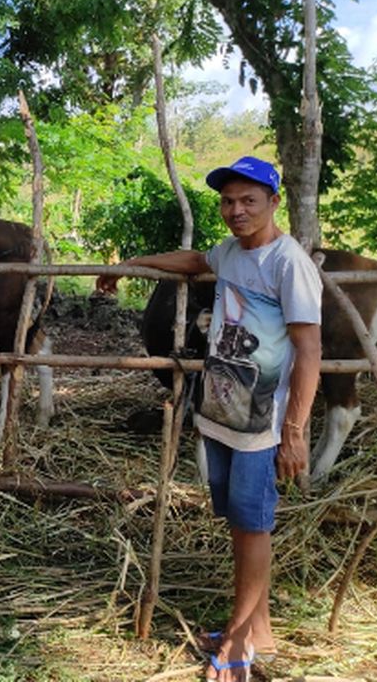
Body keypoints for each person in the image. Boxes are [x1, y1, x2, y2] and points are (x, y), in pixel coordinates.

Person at [97, 156, 321, 681]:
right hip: (221, 412)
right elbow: (194, 259)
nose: (235, 211)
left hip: (261, 426)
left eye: (248, 201)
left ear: (274, 202)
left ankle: (242, 639)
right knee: (239, 525)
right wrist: (133, 262)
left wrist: (294, 432)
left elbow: (308, 352)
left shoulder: (290, 264)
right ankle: (257, 627)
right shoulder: (231, 254)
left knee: (253, 524)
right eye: (227, 202)